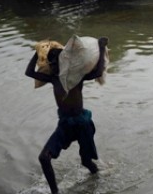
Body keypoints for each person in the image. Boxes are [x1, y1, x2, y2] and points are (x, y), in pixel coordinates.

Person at [25, 37, 108, 194]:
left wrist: (102, 47)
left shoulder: (77, 77)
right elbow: (29, 72)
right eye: (52, 64)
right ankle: (55, 192)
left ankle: (98, 179)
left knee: (86, 161)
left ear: (64, 62)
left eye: (57, 63)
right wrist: (38, 54)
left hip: (82, 123)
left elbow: (97, 71)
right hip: (64, 124)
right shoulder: (53, 79)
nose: (55, 66)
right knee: (44, 158)